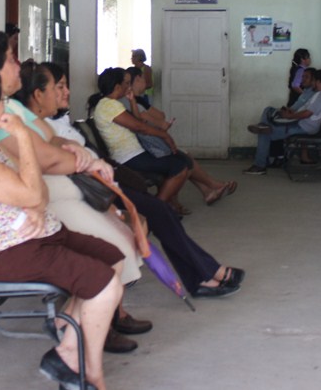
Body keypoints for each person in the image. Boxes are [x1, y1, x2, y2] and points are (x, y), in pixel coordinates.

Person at [0, 31, 150, 354]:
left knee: (123, 234)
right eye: (13, 60)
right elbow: (40, 163)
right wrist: (83, 162)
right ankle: (84, 326)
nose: (20, 67)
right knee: (115, 245)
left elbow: (48, 142)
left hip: (49, 192)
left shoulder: (9, 106)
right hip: (37, 205)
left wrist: (75, 152)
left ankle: (99, 320)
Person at [0, 62, 123, 390]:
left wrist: (32, 200)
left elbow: (35, 192)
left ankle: (67, 348)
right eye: (3, 103)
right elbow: (35, 192)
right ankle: (89, 372)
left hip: (30, 239)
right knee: (104, 286)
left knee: (112, 256)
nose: (7, 110)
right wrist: (21, 135)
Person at [26, 61, 244, 298]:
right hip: (93, 191)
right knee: (162, 210)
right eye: (59, 87)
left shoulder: (55, 122)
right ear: (38, 95)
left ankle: (204, 274)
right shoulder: (39, 127)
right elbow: (65, 161)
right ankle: (206, 274)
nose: (67, 92)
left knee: (164, 209)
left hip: (103, 182)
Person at [123, 66, 236, 206]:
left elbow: (160, 117)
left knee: (183, 156)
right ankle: (207, 188)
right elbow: (154, 122)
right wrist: (160, 125)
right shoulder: (129, 102)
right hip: (145, 148)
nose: (145, 81)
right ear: (138, 79)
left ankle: (208, 190)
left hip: (150, 144)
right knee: (183, 158)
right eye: (126, 83)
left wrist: (157, 121)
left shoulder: (139, 100)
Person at [89, 68, 189, 211]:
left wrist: (132, 101)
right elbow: (139, 127)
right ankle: (156, 209)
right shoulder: (109, 105)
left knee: (179, 161)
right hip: (128, 157)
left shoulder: (110, 104)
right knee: (179, 167)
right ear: (117, 86)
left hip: (134, 154)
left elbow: (137, 122)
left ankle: (160, 206)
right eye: (127, 83)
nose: (129, 87)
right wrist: (164, 135)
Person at [245, 69, 321, 175]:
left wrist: (290, 116)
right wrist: (290, 115)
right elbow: (305, 111)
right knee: (267, 125)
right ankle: (264, 128)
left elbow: (307, 114)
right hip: (303, 124)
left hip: (304, 127)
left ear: (318, 81)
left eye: (313, 80)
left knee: (265, 133)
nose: (312, 83)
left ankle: (260, 166)